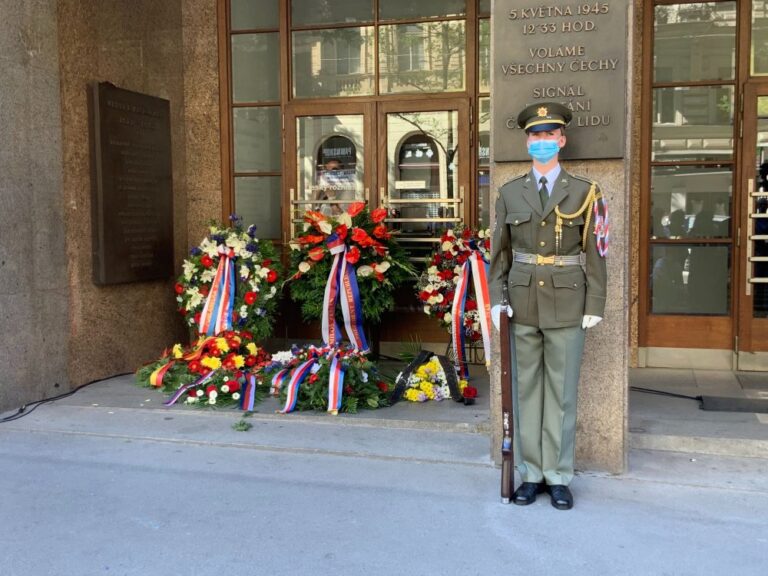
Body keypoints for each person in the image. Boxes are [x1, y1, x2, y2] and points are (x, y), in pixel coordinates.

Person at [489, 102, 608, 511]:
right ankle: (531, 474)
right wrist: (495, 300)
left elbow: (596, 252)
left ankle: (558, 476)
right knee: (526, 392)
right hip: (521, 302)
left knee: (560, 394)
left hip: (568, 302)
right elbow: (499, 256)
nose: (541, 143)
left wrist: (595, 301)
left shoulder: (585, 192)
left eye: (548, 136)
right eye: (534, 136)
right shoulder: (509, 191)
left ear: (562, 140)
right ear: (527, 141)